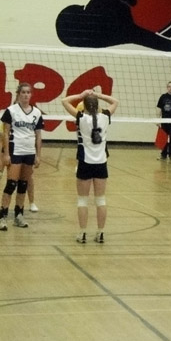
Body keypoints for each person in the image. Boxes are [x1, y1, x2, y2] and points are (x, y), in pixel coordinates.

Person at [61, 89, 119, 243]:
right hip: (101, 163)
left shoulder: (81, 118)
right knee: (100, 200)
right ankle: (100, 233)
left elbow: (64, 101)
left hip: (85, 163)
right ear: (98, 105)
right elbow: (115, 102)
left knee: (83, 200)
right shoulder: (105, 117)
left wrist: (80, 95)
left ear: (84, 106)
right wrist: (99, 95)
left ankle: (82, 233)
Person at [0, 83, 43, 231]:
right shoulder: (11, 111)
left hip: (29, 152)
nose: (25, 95)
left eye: (28, 92)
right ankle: (3, 217)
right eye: (23, 92)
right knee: (11, 184)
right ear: (18, 94)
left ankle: (19, 215)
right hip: (16, 151)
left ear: (31, 95)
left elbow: (38, 135)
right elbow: (5, 133)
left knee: (23, 185)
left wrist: (38, 155)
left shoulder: (36, 112)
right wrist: (6, 154)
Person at [0, 124, 38, 211]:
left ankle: (32, 203)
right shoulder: (8, 119)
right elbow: (0, 140)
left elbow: (34, 138)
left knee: (28, 177)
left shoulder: (27, 121)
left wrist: (36, 155)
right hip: (6, 150)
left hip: (21, 151)